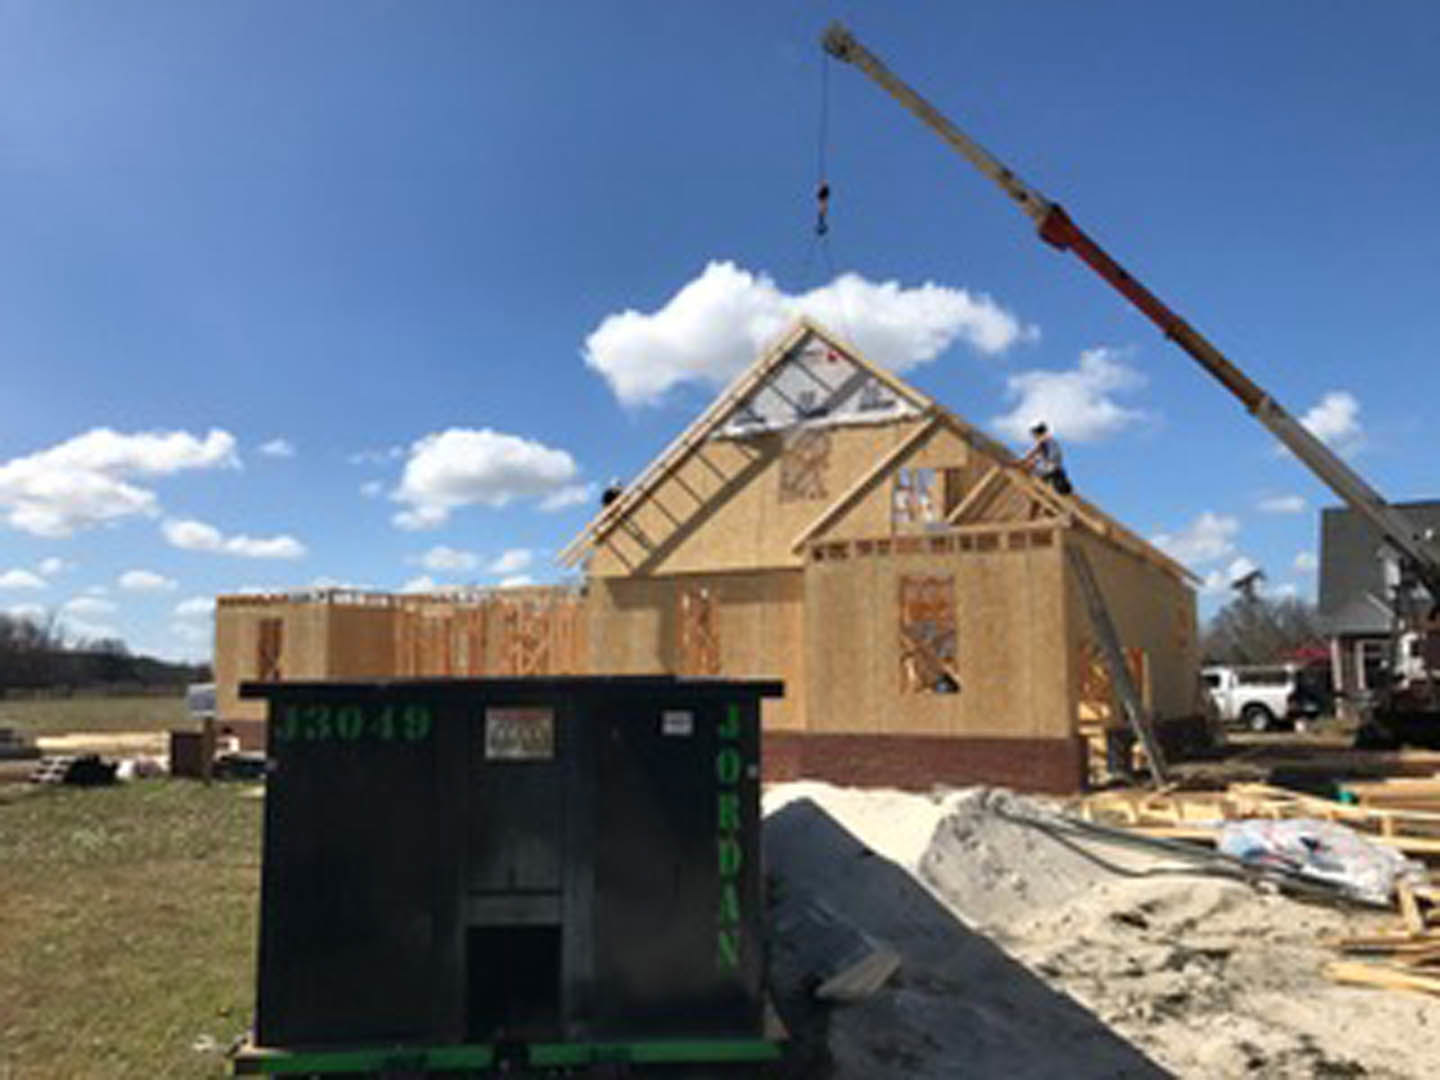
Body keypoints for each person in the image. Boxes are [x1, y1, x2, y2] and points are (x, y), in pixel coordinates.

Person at [1020, 422, 1072, 495]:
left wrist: (1023, 460)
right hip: (1057, 468)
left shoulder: (1043, 440)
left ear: (1038, 433)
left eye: (1034, 434)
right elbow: (1040, 457)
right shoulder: (1052, 441)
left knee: (1030, 473)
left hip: (1050, 469)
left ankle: (1035, 489)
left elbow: (1033, 452)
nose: (1034, 437)